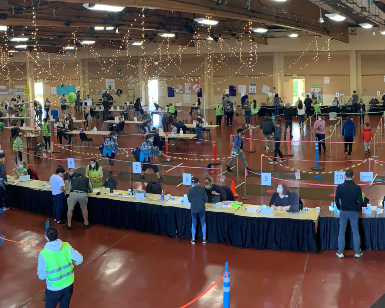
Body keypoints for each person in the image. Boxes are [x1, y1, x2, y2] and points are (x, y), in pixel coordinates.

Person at [37, 226, 83, 308]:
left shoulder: (44, 253)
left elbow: (41, 276)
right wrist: (74, 262)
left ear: (46, 237)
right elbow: (80, 259)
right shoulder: (66, 246)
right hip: (68, 286)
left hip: (53, 289)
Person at [335, 169, 363, 258]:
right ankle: (357, 252)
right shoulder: (357, 187)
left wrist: (340, 208)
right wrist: (357, 209)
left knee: (342, 231)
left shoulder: (340, 187)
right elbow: (360, 201)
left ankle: (340, 252)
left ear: (345, 176)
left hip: (343, 212)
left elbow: (336, 200)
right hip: (354, 212)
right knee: (355, 231)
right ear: (353, 176)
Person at [188, 177, 208, 245]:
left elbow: (189, 200)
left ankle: (193, 238)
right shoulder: (202, 190)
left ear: (192, 183)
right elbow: (206, 199)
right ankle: (204, 238)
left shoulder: (190, 190)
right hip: (201, 208)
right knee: (203, 223)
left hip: (193, 209)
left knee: (194, 223)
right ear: (198, 183)